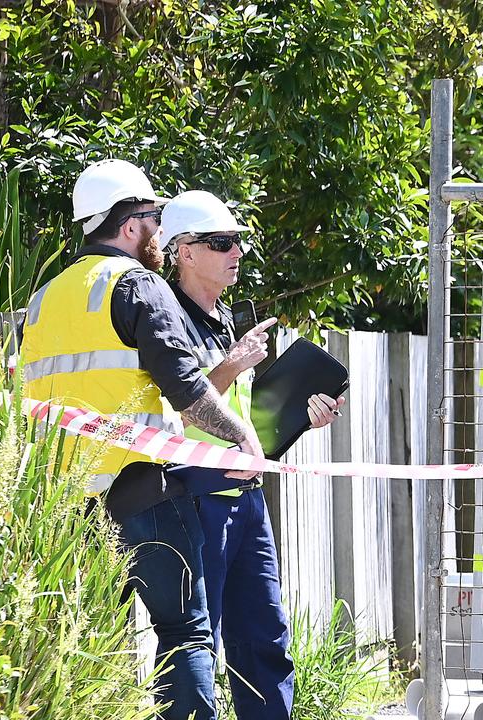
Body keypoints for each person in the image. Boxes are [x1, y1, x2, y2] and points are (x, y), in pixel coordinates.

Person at [19, 160, 266, 720]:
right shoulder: (137, 284)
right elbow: (187, 388)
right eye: (155, 218)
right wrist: (241, 436)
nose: (160, 230)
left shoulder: (44, 298)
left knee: (83, 640)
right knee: (184, 632)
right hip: (143, 493)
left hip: (65, 503)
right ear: (131, 226)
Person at [160, 190, 344, 720]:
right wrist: (233, 367)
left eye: (237, 241)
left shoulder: (225, 318)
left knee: (266, 638)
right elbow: (183, 404)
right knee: (199, 641)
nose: (235, 251)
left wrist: (298, 418)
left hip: (247, 496)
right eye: (220, 242)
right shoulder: (165, 317)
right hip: (196, 498)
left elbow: (247, 422)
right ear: (183, 252)